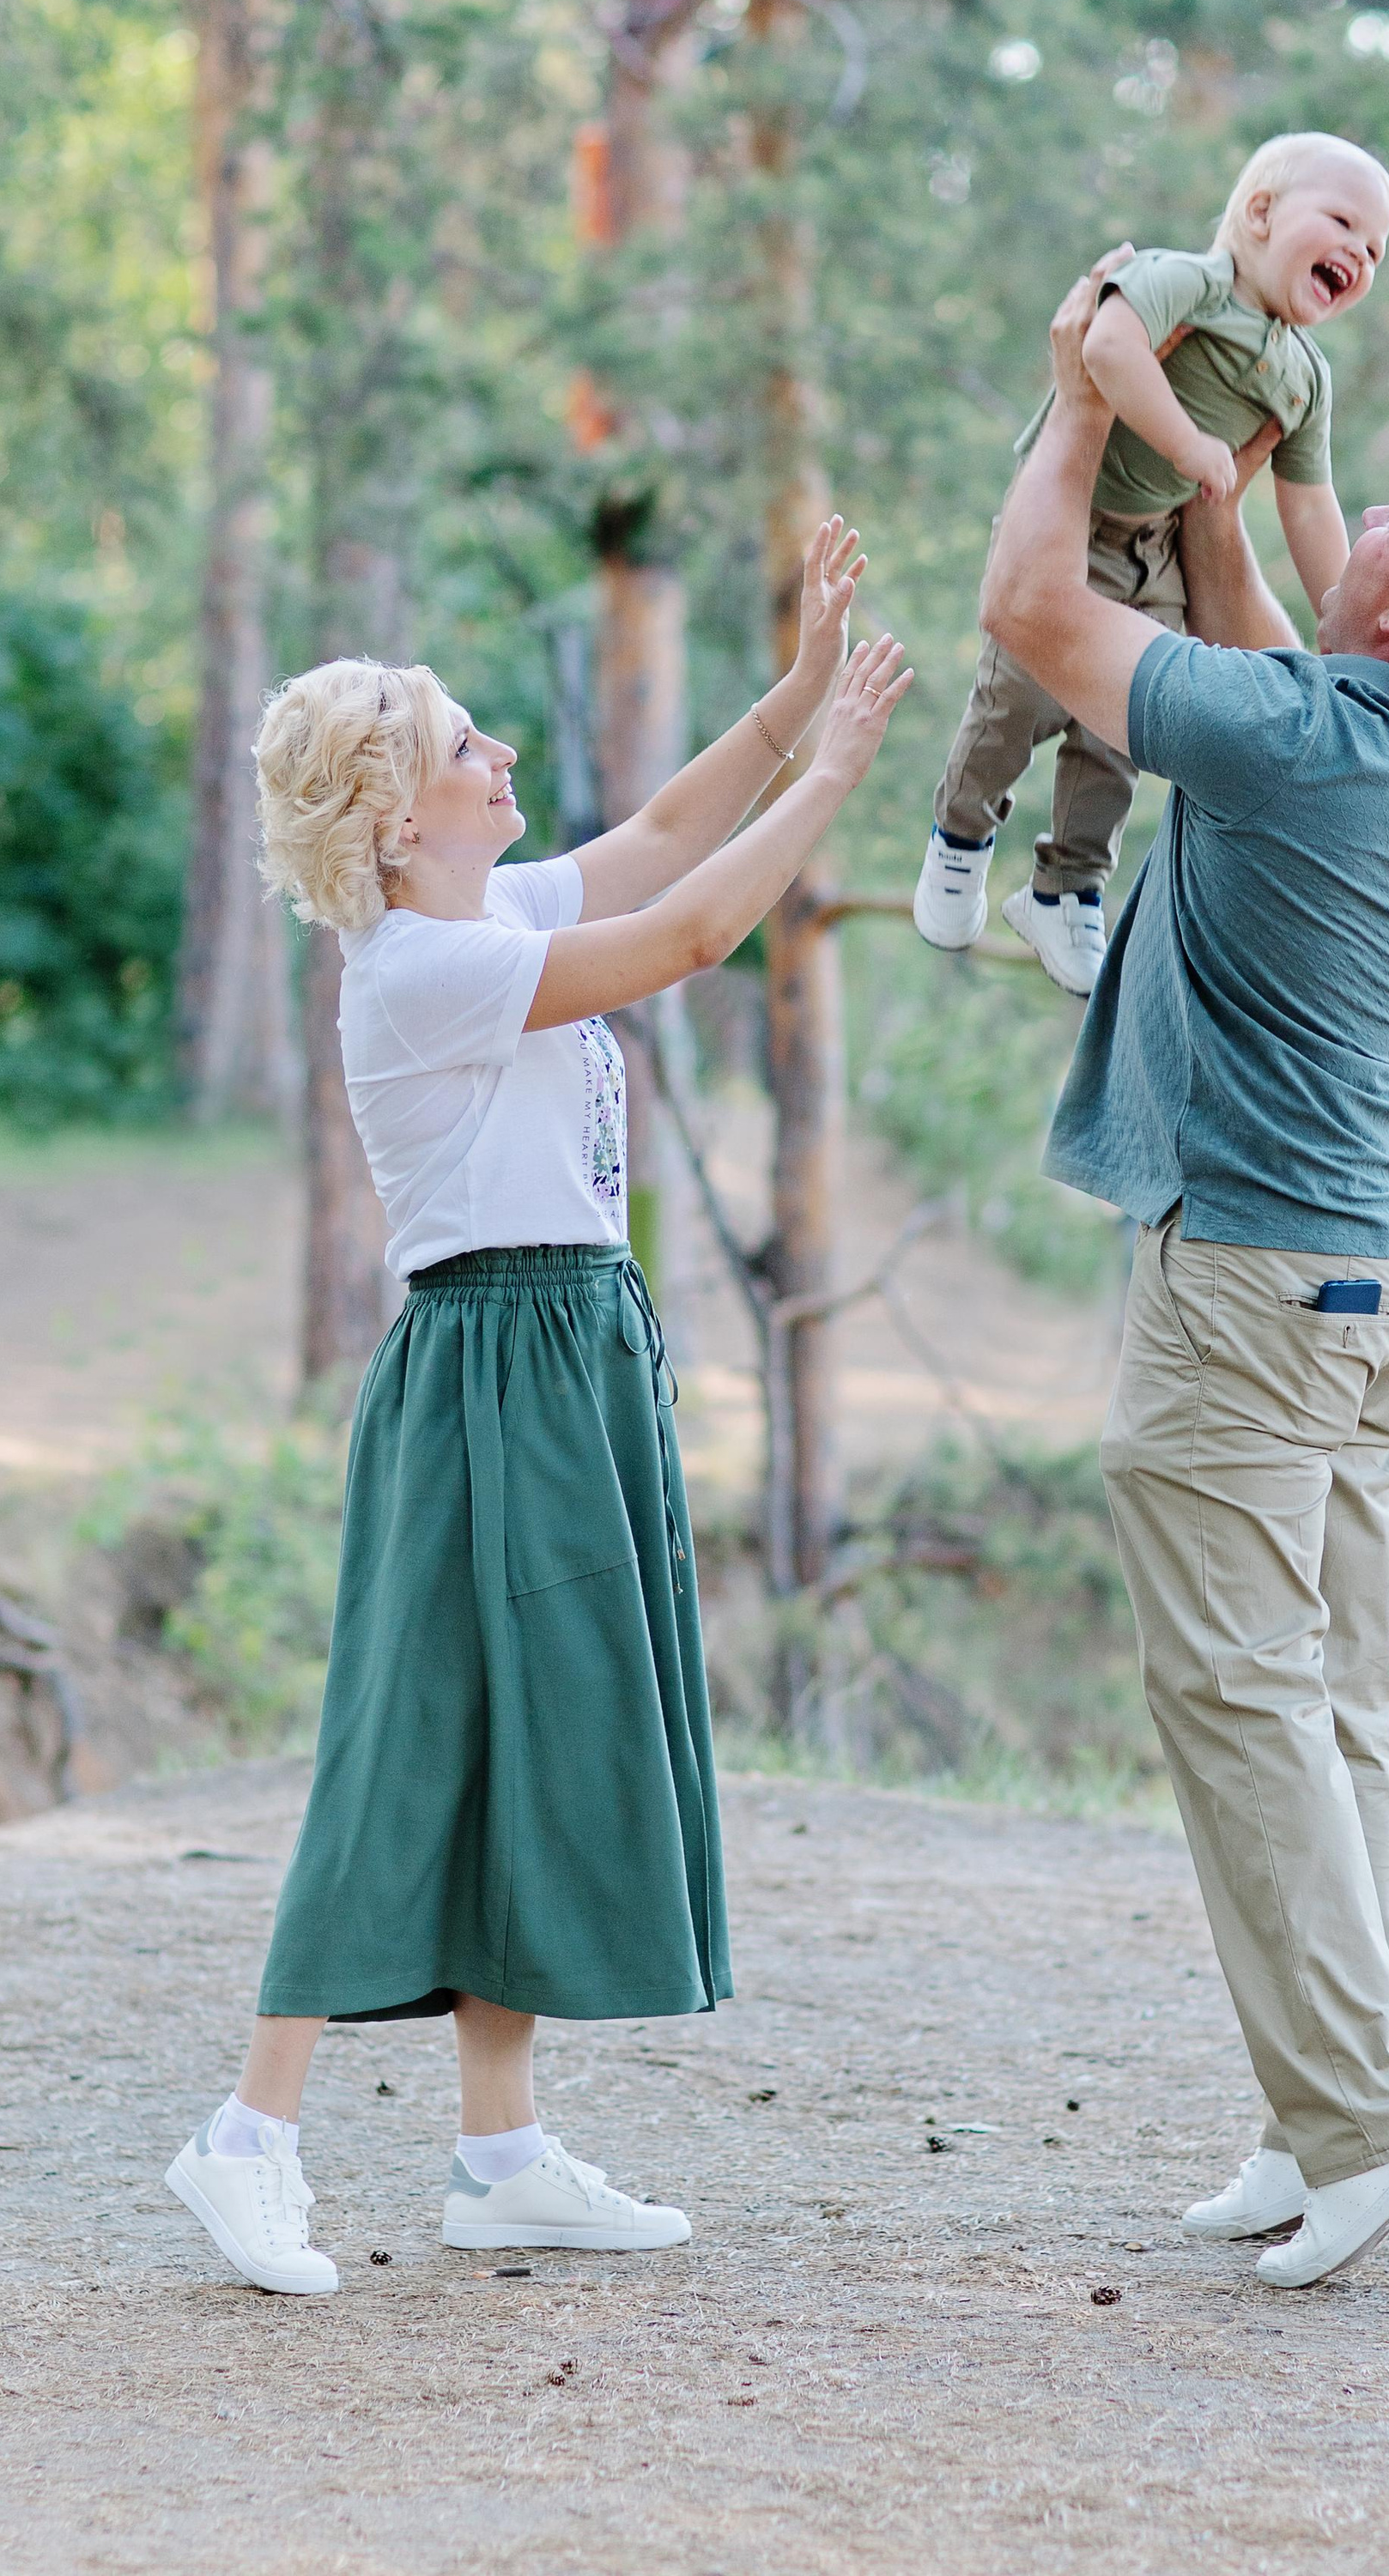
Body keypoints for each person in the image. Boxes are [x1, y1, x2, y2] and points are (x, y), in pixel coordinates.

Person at [165, 521, 911, 2295]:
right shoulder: (418, 970)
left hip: (572, 1343)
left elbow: (656, 840)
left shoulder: (482, 907)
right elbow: (698, 920)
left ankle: (497, 2154)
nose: (498, 760)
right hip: (488, 1358)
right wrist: (837, 772)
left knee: (524, 1738)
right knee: (407, 1740)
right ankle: (246, 2135)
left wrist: (797, 688)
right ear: (391, 817)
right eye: (462, 748)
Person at [981, 256, 1389, 2290]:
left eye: (1386, 512)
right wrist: (1230, 520)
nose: (1366, 506)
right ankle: (1316, 2100)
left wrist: (1080, 401)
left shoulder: (1308, 738)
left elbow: (1030, 621)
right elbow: (1274, 683)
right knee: (1325, 1702)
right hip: (1375, 1280)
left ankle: (1370, 2111)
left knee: (1237, 1695)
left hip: (1246, 1279)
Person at [913, 134, 1389, 997]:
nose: (1359, 253)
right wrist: (1186, 443)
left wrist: (1348, 636)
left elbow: (1310, 506)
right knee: (1015, 700)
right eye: (1344, 223)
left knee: (1125, 724)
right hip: (1071, 519)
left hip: (1156, 553)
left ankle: (1066, 887)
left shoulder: (1304, 375)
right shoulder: (1189, 281)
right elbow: (1104, 351)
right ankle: (960, 837)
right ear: (1258, 214)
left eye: (1376, 250)